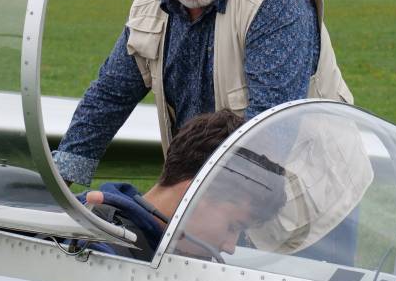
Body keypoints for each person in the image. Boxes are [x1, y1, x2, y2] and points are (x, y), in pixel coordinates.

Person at [54, 0, 352, 187]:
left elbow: (269, 138)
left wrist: (175, 202)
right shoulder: (149, 6)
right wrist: (60, 181)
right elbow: (110, 96)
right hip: (207, 193)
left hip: (307, 192)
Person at [78, 109, 286, 261]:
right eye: (233, 227)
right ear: (195, 194)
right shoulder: (92, 249)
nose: (230, 247)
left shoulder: (162, 251)